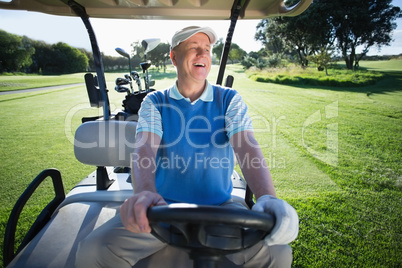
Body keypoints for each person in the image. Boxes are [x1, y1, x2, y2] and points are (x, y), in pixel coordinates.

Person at [75, 26, 299, 267]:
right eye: (194, 48)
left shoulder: (229, 100)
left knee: (278, 254)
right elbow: (145, 150)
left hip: (221, 207)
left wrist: (267, 197)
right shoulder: (155, 101)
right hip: (161, 208)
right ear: (173, 56)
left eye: (207, 49)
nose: (202, 54)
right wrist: (145, 193)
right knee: (94, 250)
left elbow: (247, 147)